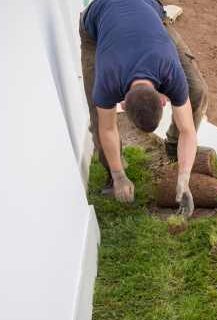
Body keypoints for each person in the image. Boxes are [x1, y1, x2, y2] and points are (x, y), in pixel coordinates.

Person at [80, 0, 208, 215]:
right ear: (121, 103)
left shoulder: (169, 70)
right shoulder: (108, 81)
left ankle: (174, 148)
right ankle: (115, 177)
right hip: (98, 21)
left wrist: (184, 180)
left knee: (196, 90)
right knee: (98, 115)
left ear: (161, 98)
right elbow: (108, 128)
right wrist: (119, 174)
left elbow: (187, 129)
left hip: (148, 13)